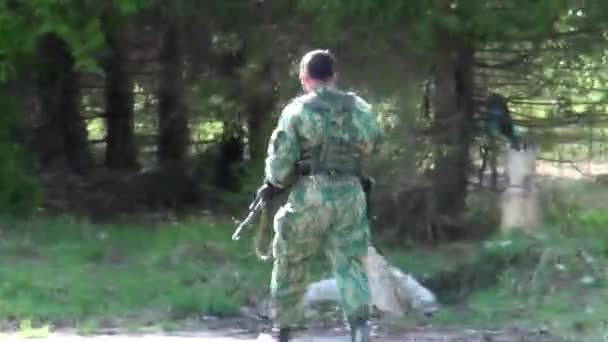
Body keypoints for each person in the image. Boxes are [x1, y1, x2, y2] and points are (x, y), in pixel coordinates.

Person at [254, 50, 381, 342]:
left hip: (311, 195)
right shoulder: (359, 108)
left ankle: (283, 329)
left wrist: (273, 184)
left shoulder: (297, 111)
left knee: (290, 257)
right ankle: (360, 328)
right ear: (334, 77)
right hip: (351, 193)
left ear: (304, 79)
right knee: (350, 261)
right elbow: (374, 139)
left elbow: (280, 161)